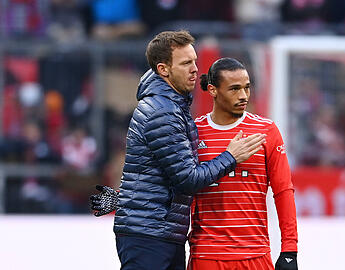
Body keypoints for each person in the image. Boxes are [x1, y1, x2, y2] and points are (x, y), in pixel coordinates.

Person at [91, 57, 298, 269]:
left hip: (255, 255)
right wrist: (126, 200)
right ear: (213, 90)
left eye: (247, 88)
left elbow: (283, 191)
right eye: (234, 89)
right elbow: (171, 180)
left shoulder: (266, 132)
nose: (243, 95)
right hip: (207, 255)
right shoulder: (193, 132)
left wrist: (290, 249)